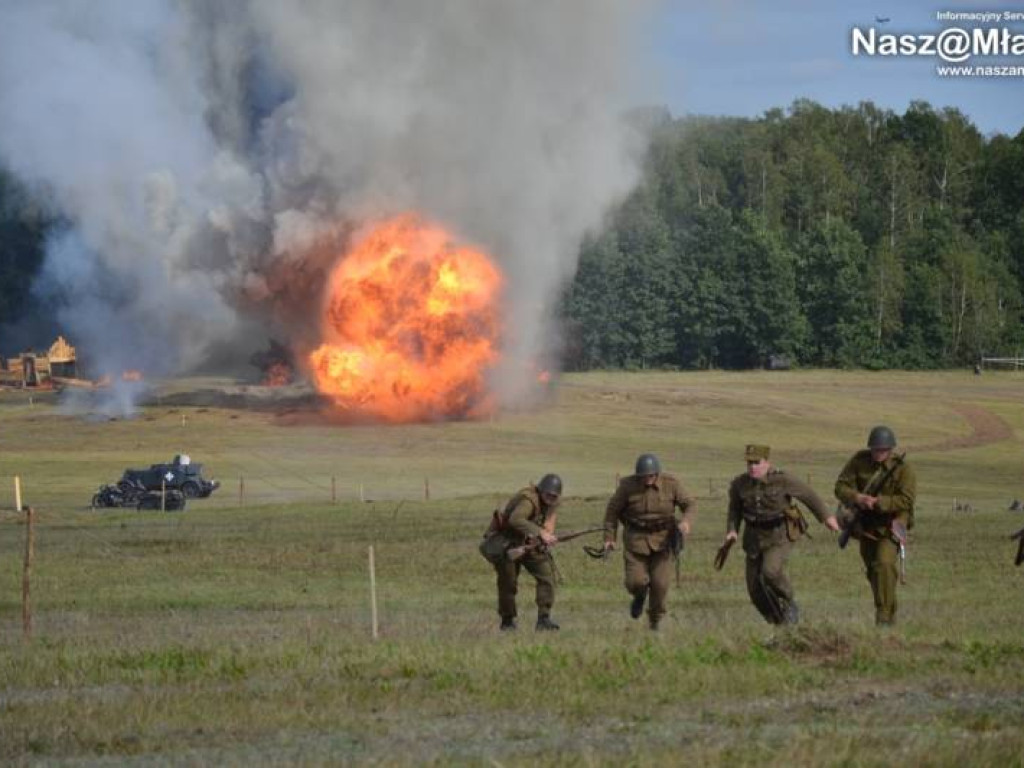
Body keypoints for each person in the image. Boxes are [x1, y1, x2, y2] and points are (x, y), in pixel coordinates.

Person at [722, 445, 839, 625]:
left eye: (757, 462)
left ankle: (789, 601)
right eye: (749, 463)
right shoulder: (740, 484)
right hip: (753, 537)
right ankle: (779, 624)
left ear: (767, 463)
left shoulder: (782, 480)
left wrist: (826, 517)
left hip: (779, 535)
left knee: (770, 571)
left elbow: (808, 495)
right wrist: (732, 530)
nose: (752, 467)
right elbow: (735, 510)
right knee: (754, 589)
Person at [602, 454, 696, 630]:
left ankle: (654, 622)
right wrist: (609, 538)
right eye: (644, 476)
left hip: (664, 542)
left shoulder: (672, 484)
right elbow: (612, 511)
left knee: (660, 585)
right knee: (634, 582)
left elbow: (690, 504)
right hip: (635, 542)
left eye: (651, 476)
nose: (647, 479)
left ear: (657, 474)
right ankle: (639, 595)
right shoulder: (627, 486)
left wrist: (686, 522)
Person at [834, 426, 916, 626]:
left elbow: (907, 500)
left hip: (890, 526)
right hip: (865, 527)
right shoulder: (859, 461)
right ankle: (890, 614)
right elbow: (840, 487)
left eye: (883, 450)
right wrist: (858, 497)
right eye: (875, 449)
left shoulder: (903, 469)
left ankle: (883, 619)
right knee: (875, 573)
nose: (878, 453)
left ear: (890, 449)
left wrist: (879, 502)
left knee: (884, 565)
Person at [479, 473, 563, 631]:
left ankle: (544, 619)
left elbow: (549, 522)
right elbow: (515, 520)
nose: (551, 498)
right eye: (548, 495)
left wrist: (546, 537)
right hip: (508, 543)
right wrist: (540, 533)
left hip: (530, 543)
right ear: (541, 490)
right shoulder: (528, 500)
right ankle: (507, 621)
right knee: (508, 583)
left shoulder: (553, 503)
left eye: (554, 496)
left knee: (547, 577)